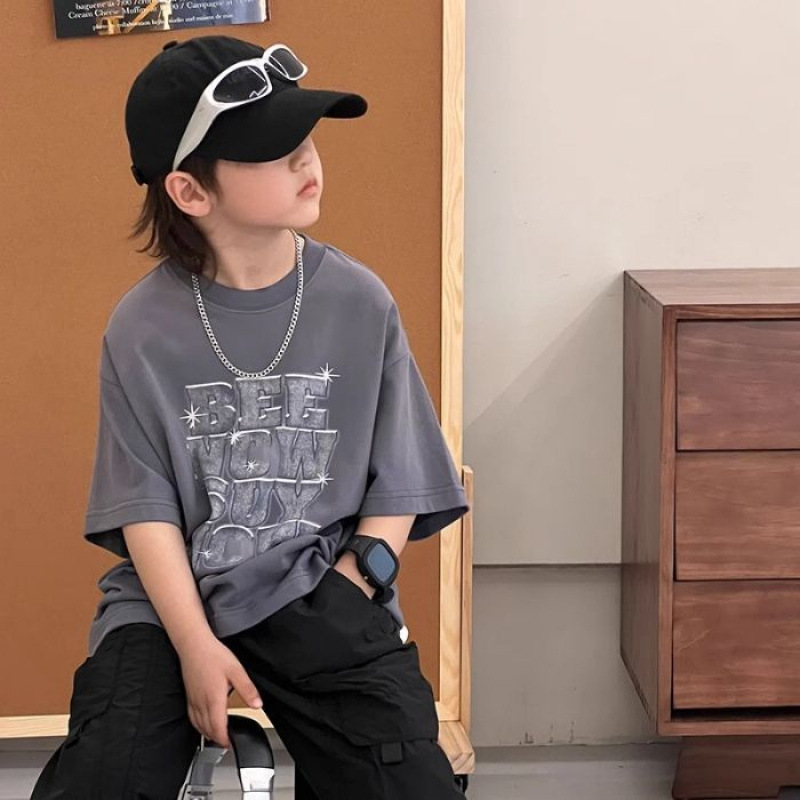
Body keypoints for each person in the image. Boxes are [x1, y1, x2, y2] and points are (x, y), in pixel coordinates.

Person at [30, 34, 469, 800]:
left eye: (306, 138)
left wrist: (356, 582)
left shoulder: (359, 301)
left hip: (317, 587)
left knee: (405, 784)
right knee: (106, 777)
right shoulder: (141, 330)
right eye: (273, 149)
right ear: (190, 192)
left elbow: (401, 480)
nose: (306, 159)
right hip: (168, 603)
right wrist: (195, 645)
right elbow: (145, 511)